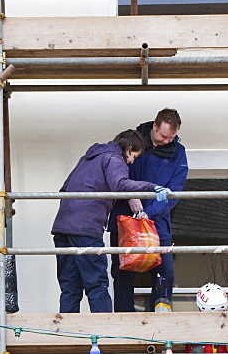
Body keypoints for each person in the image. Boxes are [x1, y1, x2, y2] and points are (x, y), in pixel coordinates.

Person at [51, 130, 167, 314]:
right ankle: (104, 335)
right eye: (134, 156)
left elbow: (64, 188)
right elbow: (120, 184)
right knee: (97, 283)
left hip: (62, 228)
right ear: (128, 149)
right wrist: (151, 187)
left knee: (70, 287)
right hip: (86, 229)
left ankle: (67, 336)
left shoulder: (88, 158)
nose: (131, 162)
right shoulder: (114, 159)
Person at [109, 108, 188, 313]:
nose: (166, 142)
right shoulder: (131, 143)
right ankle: (125, 324)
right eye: (163, 136)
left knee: (165, 273)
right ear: (154, 126)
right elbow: (116, 176)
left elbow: (174, 192)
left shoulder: (178, 153)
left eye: (171, 138)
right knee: (123, 273)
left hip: (158, 223)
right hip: (124, 218)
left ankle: (160, 324)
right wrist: (130, 196)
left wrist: (149, 213)